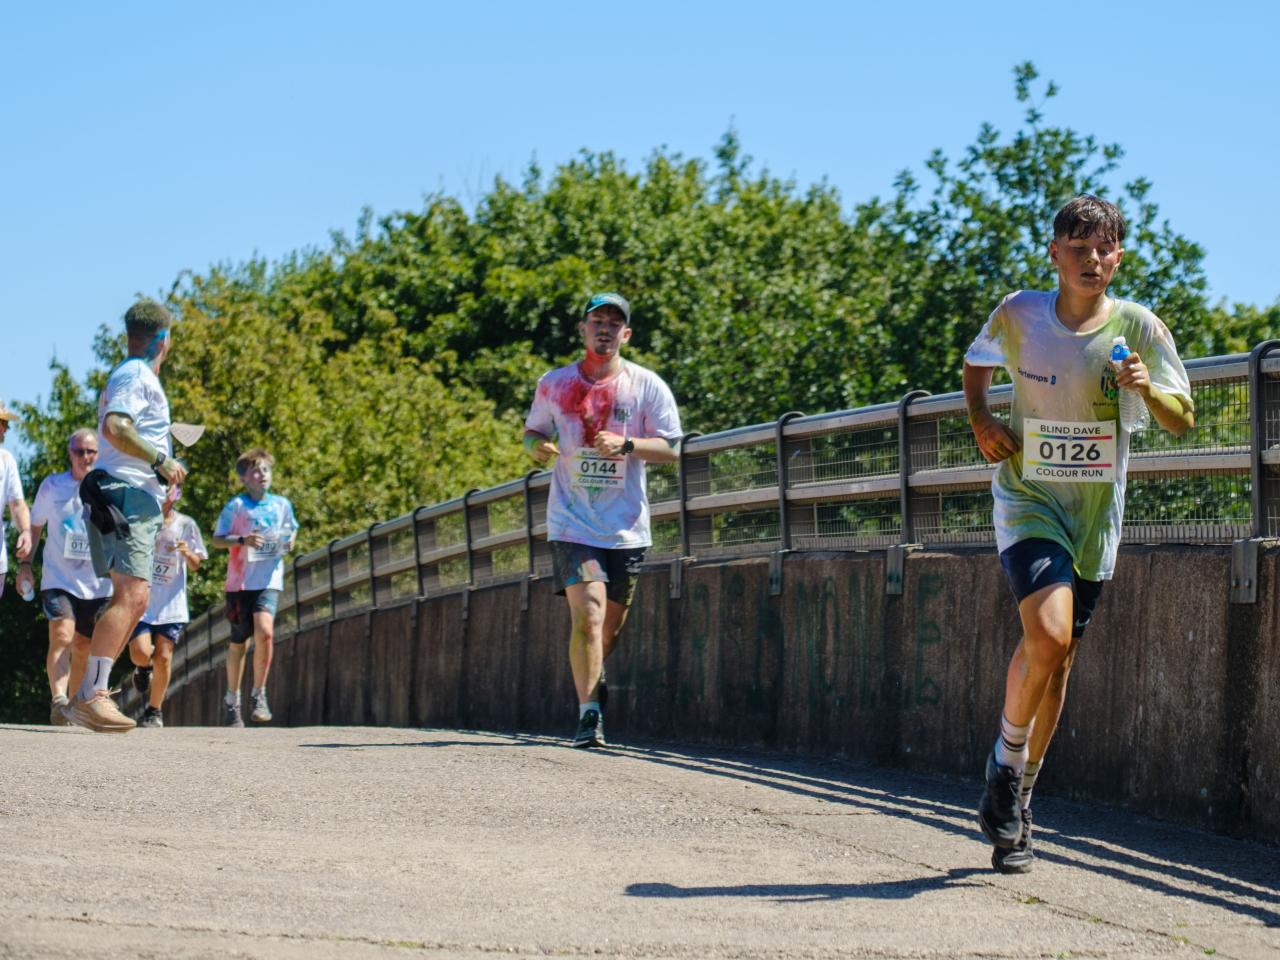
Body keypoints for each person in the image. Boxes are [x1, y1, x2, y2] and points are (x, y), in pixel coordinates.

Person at [963, 195, 1194, 873]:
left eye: (1104, 249)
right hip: (1029, 496)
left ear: (1118, 257)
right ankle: (1004, 767)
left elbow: (1182, 420)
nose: (1092, 260)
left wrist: (1147, 389)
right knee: (1050, 634)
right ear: (1055, 254)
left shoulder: (1140, 328)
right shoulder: (1020, 314)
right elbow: (977, 363)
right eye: (1079, 248)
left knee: (1057, 661)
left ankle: (1019, 804)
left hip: (1096, 518)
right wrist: (982, 418)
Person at [523, 292, 682, 748]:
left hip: (626, 527)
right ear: (583, 330)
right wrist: (533, 446)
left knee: (608, 628)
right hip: (572, 521)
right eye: (598, 321)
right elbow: (533, 430)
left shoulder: (646, 385)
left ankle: (593, 677)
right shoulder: (553, 383)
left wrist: (629, 445)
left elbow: (672, 448)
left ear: (626, 334)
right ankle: (588, 715)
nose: (606, 329)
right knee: (588, 614)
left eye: (615, 323)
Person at [68, 299, 187, 732]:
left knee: (133, 598)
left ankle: (91, 693)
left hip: (130, 493)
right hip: (126, 492)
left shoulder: (133, 375)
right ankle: (91, 696)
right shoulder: (136, 374)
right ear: (162, 339)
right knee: (133, 595)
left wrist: (163, 466)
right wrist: (160, 458)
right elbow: (115, 427)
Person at [28, 428, 113, 724]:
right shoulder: (53, 486)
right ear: (70, 454)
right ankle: (59, 699)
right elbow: (35, 526)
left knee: (83, 645)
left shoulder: (108, 486)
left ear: (98, 454)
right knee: (62, 634)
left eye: (91, 451)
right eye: (79, 451)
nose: (85, 457)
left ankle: (74, 706)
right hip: (59, 579)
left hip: (98, 582)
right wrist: (26, 562)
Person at [211, 448, 297, 726]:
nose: (263, 475)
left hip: (268, 580)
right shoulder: (236, 507)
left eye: (266, 470)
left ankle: (259, 694)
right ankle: (231, 699)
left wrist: (291, 540)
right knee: (239, 643)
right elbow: (217, 540)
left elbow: (291, 528)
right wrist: (242, 540)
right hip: (240, 583)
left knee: (266, 632)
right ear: (244, 478)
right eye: (256, 471)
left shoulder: (281, 505)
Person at [127, 483, 206, 727]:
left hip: (171, 602)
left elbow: (196, 564)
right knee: (140, 652)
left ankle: (154, 711)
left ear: (176, 495)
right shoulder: (139, 521)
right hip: (143, 598)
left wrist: (186, 552)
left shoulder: (186, 524)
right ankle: (142, 668)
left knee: (163, 656)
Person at [0, 401, 34, 601]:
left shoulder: (6, 460)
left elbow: (18, 504)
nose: (6, 430)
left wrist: (26, 531)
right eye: (3, 423)